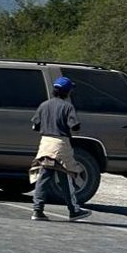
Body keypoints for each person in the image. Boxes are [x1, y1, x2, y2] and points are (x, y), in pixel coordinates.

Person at [30, 76, 90, 221]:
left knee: (44, 177)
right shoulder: (67, 106)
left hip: (45, 144)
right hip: (60, 145)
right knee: (67, 175)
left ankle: (37, 210)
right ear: (67, 92)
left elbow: (35, 126)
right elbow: (74, 125)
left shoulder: (44, 105)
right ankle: (74, 210)